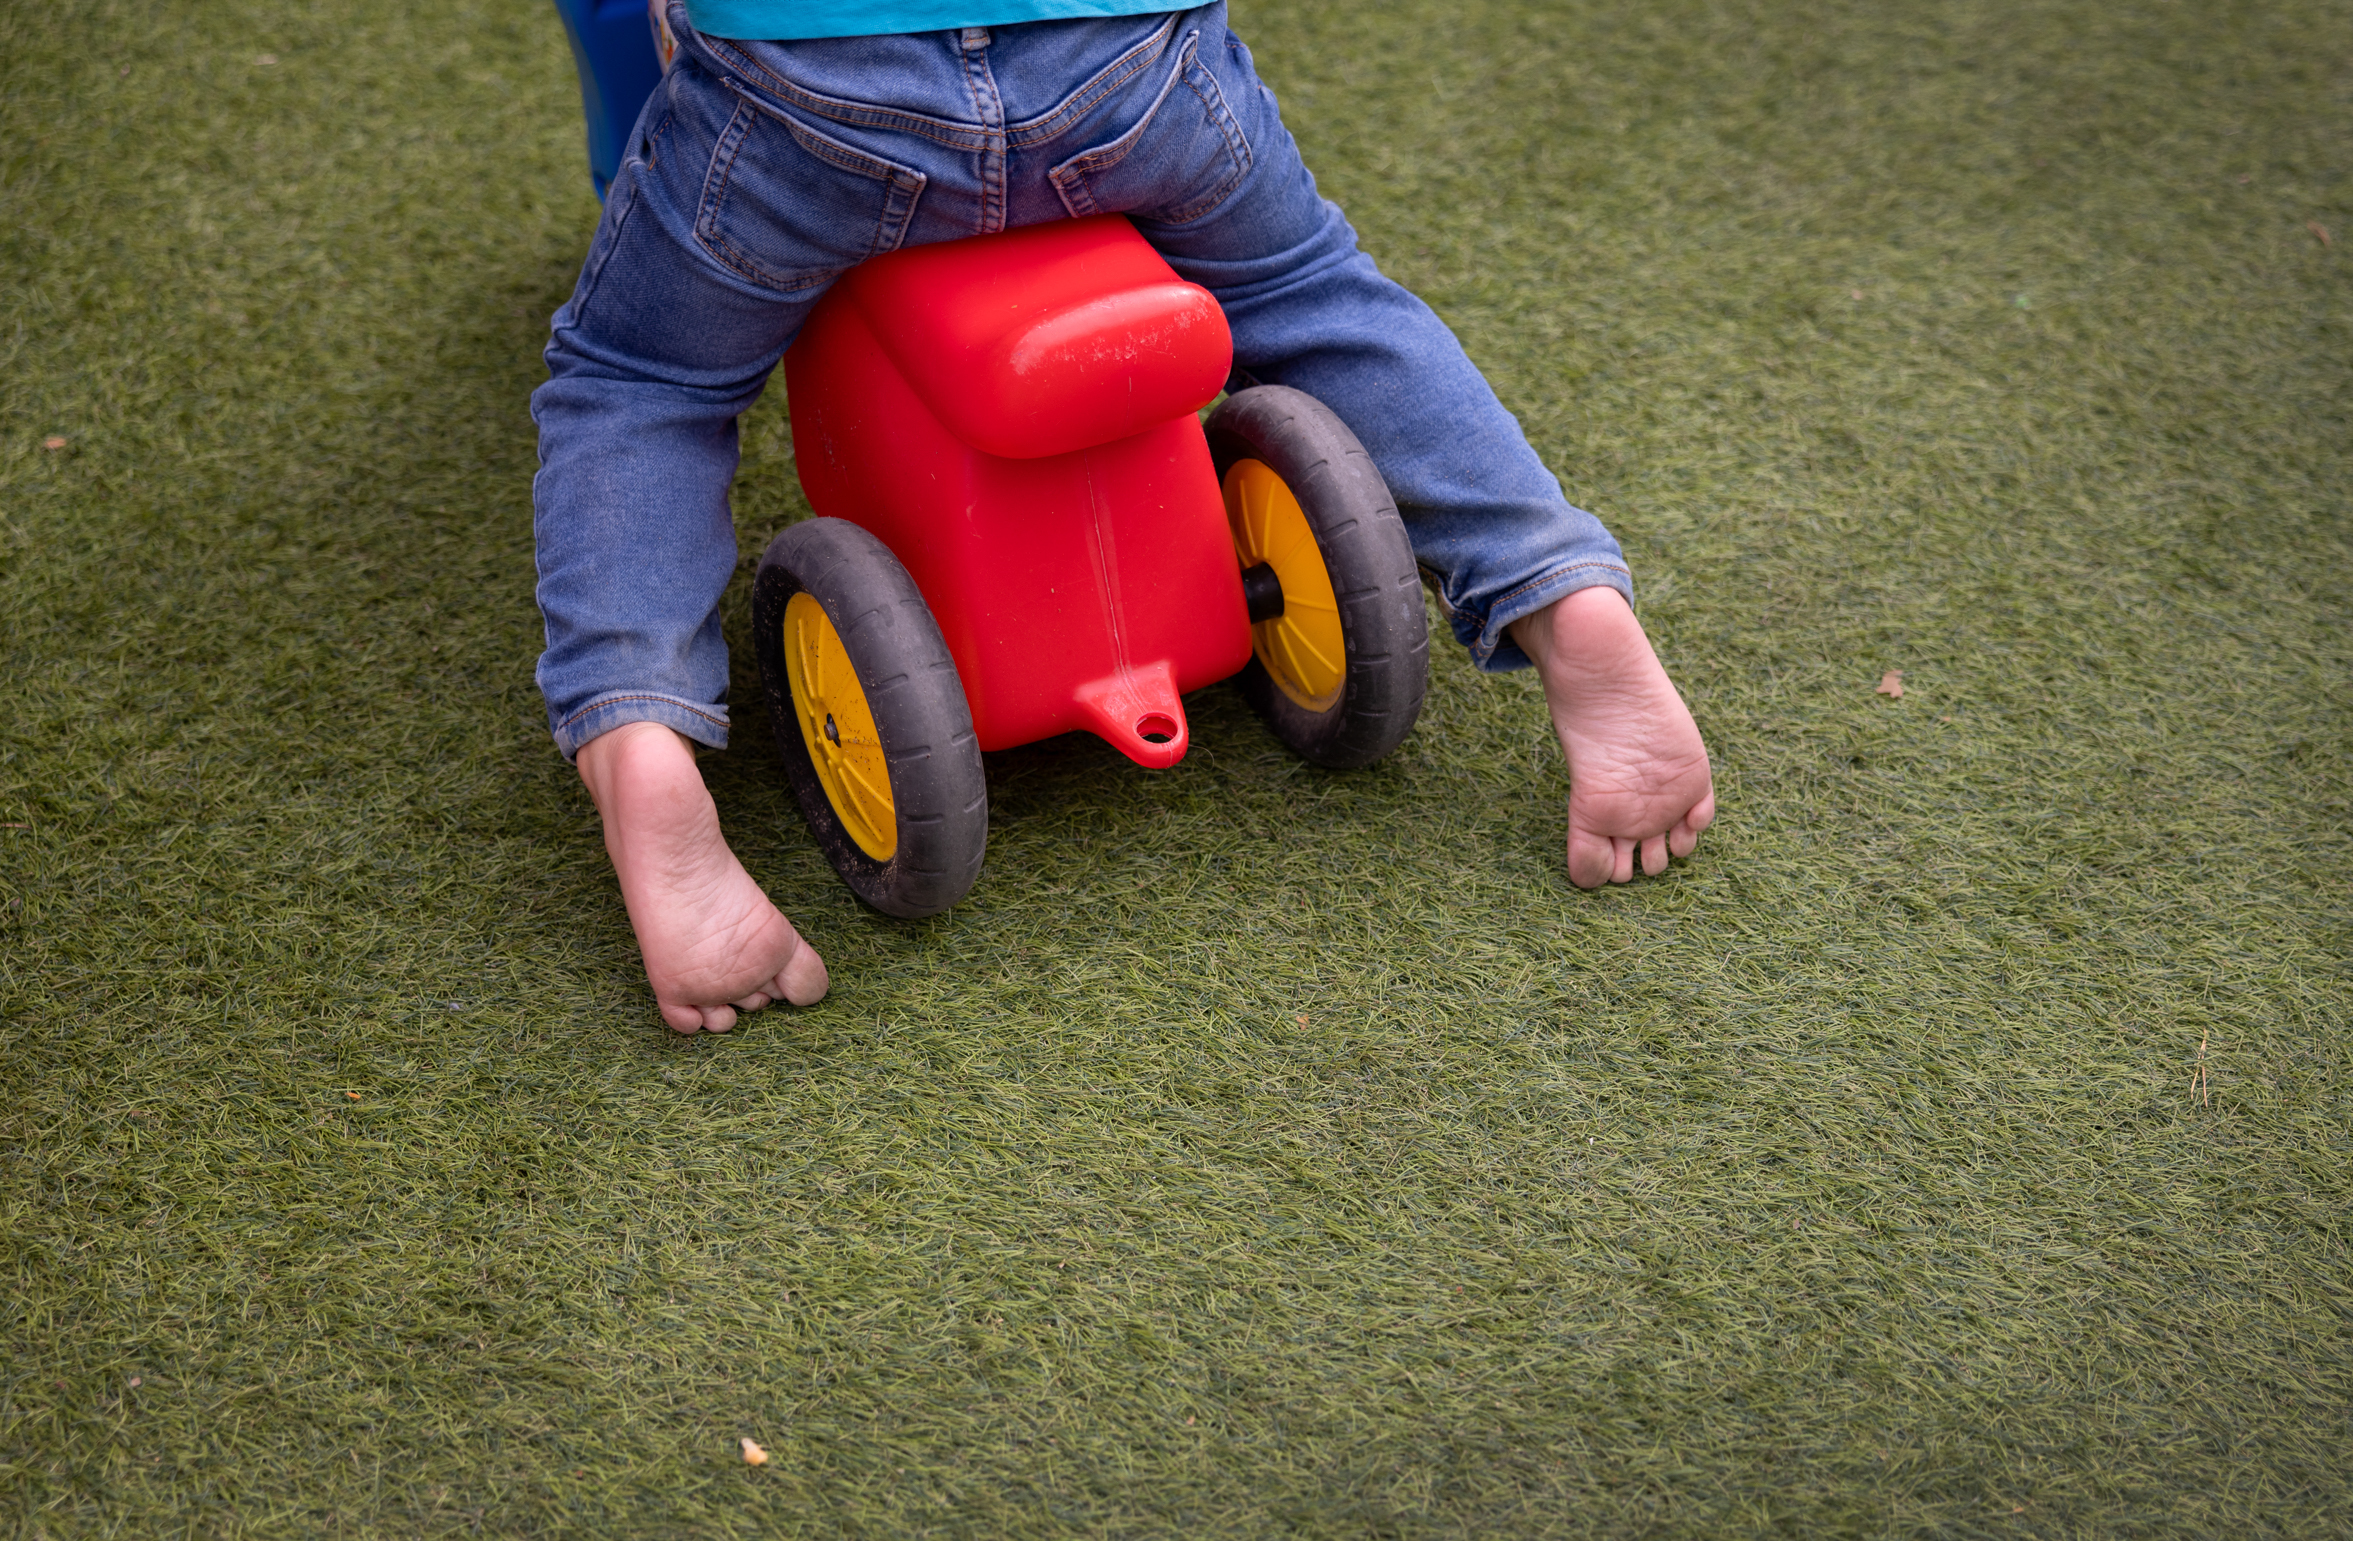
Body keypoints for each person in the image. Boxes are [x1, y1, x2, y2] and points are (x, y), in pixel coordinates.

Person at [534, 0, 1717, 1032]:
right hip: (1124, 72)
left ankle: (642, 737)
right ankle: (1558, 591)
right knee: (1311, 293)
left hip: (816, 98)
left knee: (642, 383)